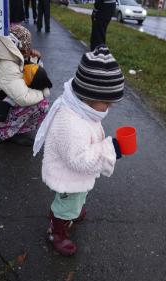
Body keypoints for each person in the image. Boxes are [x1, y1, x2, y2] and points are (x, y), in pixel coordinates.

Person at [33, 45, 125, 256]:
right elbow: (79, 159)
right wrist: (111, 149)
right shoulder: (70, 121)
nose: (110, 107)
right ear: (89, 96)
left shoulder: (81, 108)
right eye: (107, 102)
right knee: (67, 204)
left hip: (75, 176)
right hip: (68, 175)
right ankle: (56, 230)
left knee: (77, 197)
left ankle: (69, 210)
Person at [0, 25, 50, 146]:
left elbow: (31, 76)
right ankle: (6, 133)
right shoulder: (8, 66)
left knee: (37, 98)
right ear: (18, 46)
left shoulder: (5, 55)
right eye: (27, 47)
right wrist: (43, 91)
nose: (29, 50)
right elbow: (24, 98)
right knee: (42, 103)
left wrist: (34, 61)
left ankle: (12, 128)